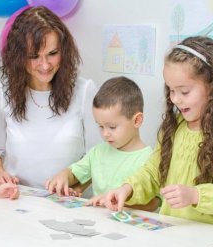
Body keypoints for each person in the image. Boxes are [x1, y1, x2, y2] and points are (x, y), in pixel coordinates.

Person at [100, 37, 213, 231]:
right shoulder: (174, 127)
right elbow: (154, 171)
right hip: (173, 234)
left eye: (184, 91)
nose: (175, 99)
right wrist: (127, 188)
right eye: (171, 90)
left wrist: (196, 195)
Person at [0, 6, 100, 188]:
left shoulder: (85, 90)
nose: (45, 65)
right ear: (18, 56)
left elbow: (97, 156)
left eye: (52, 54)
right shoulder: (0, 91)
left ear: (63, 51)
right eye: (34, 56)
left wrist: (75, 191)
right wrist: (0, 175)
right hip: (17, 198)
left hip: (67, 203)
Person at [46, 76, 159, 211]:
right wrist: (63, 176)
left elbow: (155, 203)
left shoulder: (150, 160)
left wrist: (116, 202)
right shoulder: (98, 152)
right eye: (100, 126)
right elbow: (74, 173)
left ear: (137, 120)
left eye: (112, 127)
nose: (105, 134)